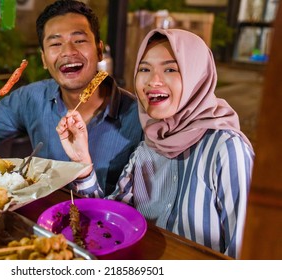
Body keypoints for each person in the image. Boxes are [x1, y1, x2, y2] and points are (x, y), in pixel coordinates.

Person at [56, 28, 255, 258]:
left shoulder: (227, 149)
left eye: (170, 69)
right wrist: (83, 164)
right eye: (144, 69)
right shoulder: (147, 147)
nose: (153, 81)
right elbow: (110, 224)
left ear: (196, 77)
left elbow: (249, 254)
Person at [0, 0, 143, 196]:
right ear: (43, 59)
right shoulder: (31, 98)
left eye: (79, 40)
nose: (68, 51)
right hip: (39, 217)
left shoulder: (138, 117)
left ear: (99, 50)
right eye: (56, 43)